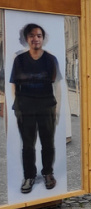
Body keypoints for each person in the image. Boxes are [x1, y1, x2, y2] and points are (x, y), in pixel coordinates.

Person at [10, 23, 61, 193]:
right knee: (28, 144)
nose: (35, 39)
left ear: (42, 38)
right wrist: (17, 106)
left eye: (39, 35)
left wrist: (57, 109)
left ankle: (48, 173)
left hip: (46, 105)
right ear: (27, 39)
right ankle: (29, 176)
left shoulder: (50, 59)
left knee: (47, 142)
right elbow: (14, 85)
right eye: (32, 36)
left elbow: (57, 86)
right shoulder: (19, 60)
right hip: (26, 107)